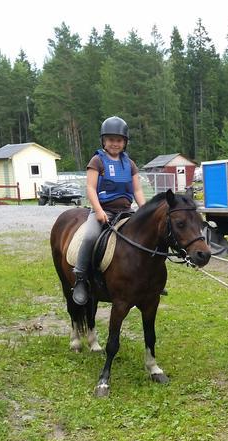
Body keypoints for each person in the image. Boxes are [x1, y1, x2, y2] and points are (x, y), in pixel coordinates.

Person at [71, 116, 148, 306]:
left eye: (119, 140)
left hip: (126, 212)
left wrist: (144, 211)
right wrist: (98, 210)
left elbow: (137, 190)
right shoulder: (97, 160)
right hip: (103, 211)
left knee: (145, 238)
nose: (115, 143)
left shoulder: (129, 164)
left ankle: (147, 280)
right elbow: (90, 188)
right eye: (111, 139)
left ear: (125, 142)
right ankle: (80, 279)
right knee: (89, 237)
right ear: (104, 141)